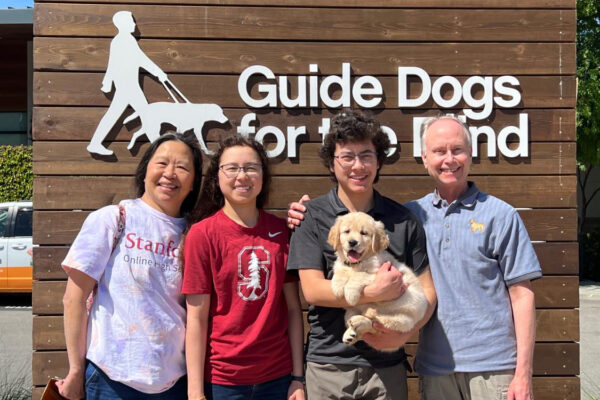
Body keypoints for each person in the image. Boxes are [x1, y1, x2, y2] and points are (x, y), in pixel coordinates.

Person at [286, 109, 437, 400]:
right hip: (328, 364)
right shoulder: (312, 217)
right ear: (332, 164)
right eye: (347, 156)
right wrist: (374, 291)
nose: (358, 166)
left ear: (379, 161)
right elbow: (313, 290)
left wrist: (404, 333)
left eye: (366, 155)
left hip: (387, 366)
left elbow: (428, 291)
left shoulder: (403, 220)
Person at [399, 114, 541, 400]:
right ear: (425, 158)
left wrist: (523, 373)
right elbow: (361, 230)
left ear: (471, 155)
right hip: (435, 369)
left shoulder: (501, 215)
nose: (449, 159)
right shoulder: (410, 216)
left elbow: (522, 295)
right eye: (439, 151)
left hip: (495, 370)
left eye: (457, 150)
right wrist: (302, 215)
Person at [57, 132, 203, 399]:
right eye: (161, 163)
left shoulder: (196, 233)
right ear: (145, 170)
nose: (170, 173)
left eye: (182, 167)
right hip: (110, 379)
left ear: (193, 183)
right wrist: (76, 369)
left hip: (175, 383)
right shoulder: (112, 219)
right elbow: (73, 299)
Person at [182, 135, 305, 400]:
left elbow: (294, 310)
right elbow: (196, 318)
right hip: (223, 381)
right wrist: (194, 392)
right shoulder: (202, 235)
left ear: (263, 175)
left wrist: (298, 377)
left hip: (278, 377)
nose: (242, 176)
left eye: (251, 167)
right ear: (217, 176)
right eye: (232, 168)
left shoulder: (280, 231)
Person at [87, 11, 168, 156]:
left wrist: (108, 81)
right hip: (128, 87)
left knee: (131, 113)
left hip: (127, 86)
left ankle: (95, 143)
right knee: (145, 113)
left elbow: (114, 64)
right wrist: (158, 73)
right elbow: (141, 60)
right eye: (131, 21)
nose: (134, 24)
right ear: (123, 24)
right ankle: (158, 147)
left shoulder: (120, 40)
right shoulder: (125, 40)